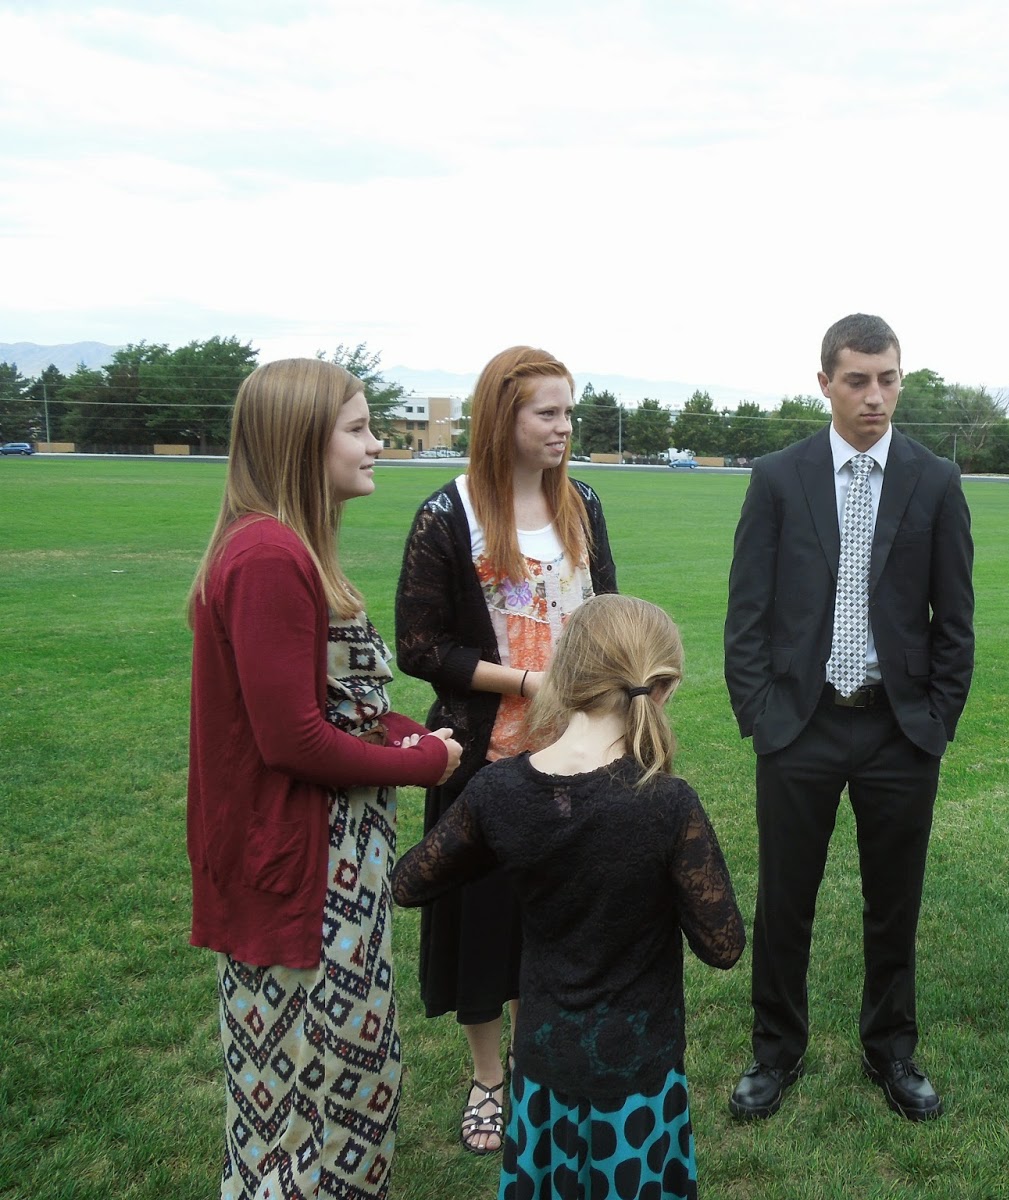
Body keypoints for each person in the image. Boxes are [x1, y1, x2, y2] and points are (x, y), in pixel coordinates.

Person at [186, 358, 463, 1200]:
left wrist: (410, 731)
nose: (377, 444)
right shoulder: (269, 555)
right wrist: (421, 765)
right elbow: (294, 741)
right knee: (322, 1101)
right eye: (358, 428)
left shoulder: (287, 546)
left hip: (327, 863)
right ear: (303, 440)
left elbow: (334, 706)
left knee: (311, 1092)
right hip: (304, 874)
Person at [391, 593, 744, 1200]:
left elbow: (410, 882)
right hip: (639, 1080)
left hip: (542, 1070)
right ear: (661, 689)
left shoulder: (499, 792)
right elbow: (723, 945)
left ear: (566, 674)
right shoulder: (666, 804)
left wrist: (509, 847)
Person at [724, 313, 975, 1122]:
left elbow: (955, 620)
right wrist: (761, 716)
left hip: (899, 731)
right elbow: (746, 612)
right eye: (858, 380)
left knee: (894, 902)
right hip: (800, 726)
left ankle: (891, 1049)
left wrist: (935, 721)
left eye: (888, 379)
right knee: (785, 900)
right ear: (825, 383)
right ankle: (775, 1050)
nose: (875, 396)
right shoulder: (779, 477)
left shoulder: (934, 480)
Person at [395, 345, 617, 1155]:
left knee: (558, 919)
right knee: (482, 924)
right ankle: (489, 1078)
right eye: (546, 413)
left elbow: (607, 611)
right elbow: (419, 647)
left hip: (579, 757)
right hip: (485, 761)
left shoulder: (582, 504)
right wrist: (526, 682)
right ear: (502, 418)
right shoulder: (447, 515)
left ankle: (538, 1060)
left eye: (569, 412)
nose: (564, 428)